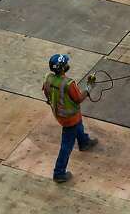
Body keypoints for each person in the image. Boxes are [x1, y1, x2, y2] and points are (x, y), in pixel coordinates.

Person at [42, 54, 97, 184]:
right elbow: (78, 99)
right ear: (62, 68)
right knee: (66, 145)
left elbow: (46, 92)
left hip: (62, 115)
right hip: (69, 117)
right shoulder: (68, 83)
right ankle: (59, 173)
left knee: (78, 125)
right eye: (66, 63)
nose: (68, 64)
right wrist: (89, 86)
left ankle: (84, 142)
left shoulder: (48, 78)